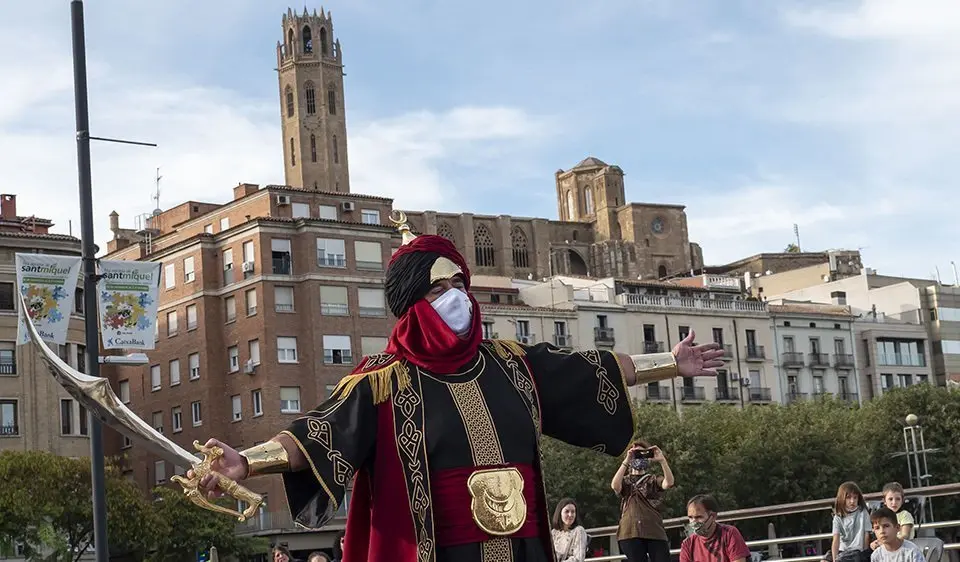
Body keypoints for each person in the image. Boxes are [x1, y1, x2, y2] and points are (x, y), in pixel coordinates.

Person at [192, 217, 724, 562]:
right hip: (438, 551)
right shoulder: (382, 381)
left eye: (461, 285)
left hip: (522, 549)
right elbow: (317, 432)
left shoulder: (512, 364)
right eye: (441, 288)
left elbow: (591, 369)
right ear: (415, 299)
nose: (458, 297)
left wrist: (669, 364)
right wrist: (246, 462)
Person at [611, 441, 674, 562]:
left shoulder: (653, 480)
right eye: (636, 454)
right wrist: (627, 459)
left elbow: (669, 482)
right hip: (630, 532)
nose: (639, 457)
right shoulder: (625, 481)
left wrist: (662, 460)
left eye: (642, 454)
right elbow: (615, 485)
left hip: (654, 531)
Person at [679, 495, 751, 562]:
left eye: (699, 517)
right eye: (690, 517)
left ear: (713, 516)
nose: (693, 522)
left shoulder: (729, 533)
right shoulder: (688, 543)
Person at [826, 482, 872, 562]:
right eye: (848, 498)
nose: (852, 501)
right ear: (842, 498)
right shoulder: (838, 517)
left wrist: (865, 554)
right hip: (843, 550)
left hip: (858, 551)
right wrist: (834, 559)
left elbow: (866, 536)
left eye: (855, 498)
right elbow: (836, 539)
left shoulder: (863, 512)